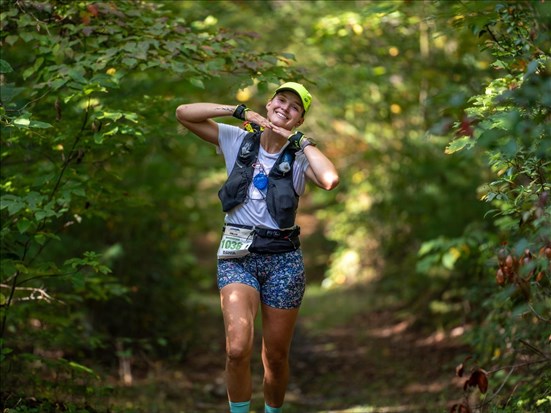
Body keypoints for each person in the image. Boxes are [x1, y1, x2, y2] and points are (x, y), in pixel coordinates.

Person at [175, 82, 339, 413]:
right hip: (238, 257)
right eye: (281, 100)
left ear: (299, 120)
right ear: (268, 104)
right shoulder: (238, 139)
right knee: (237, 348)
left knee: (275, 358)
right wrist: (237, 111)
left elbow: (330, 179)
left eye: (295, 107)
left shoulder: (298, 157)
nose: (285, 108)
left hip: (283, 261)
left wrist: (302, 142)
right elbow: (184, 114)